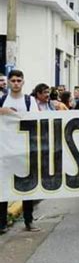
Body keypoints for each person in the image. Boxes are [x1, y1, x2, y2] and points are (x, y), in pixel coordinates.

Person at [0, 70, 40, 233]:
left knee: (27, 188)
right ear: (8, 82)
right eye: (13, 80)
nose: (16, 83)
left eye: (19, 80)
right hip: (5, 150)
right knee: (3, 187)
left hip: (24, 150)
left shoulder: (29, 101)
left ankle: (29, 221)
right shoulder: (2, 100)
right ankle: (1, 223)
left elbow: (37, 121)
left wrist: (12, 113)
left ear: (23, 82)